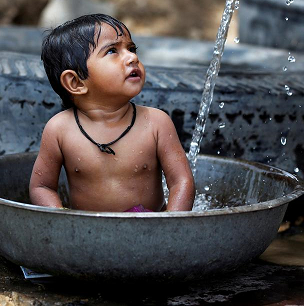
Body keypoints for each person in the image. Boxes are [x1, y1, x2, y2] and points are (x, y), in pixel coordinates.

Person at [29, 14, 195, 212]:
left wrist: (170, 226)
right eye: (112, 51)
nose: (132, 57)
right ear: (76, 82)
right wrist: (62, 218)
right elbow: (42, 186)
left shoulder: (156, 122)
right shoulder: (59, 129)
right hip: (89, 231)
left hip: (150, 228)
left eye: (131, 48)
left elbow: (181, 181)